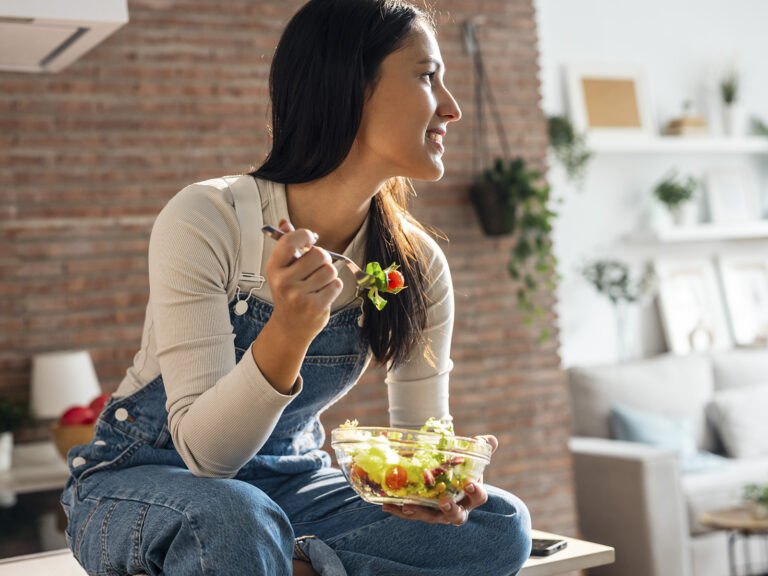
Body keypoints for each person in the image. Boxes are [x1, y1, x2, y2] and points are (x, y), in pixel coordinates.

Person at [59, 0, 532, 574]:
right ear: (348, 86)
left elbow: (416, 447)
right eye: (428, 76)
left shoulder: (415, 264)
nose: (451, 108)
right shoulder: (210, 218)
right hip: (151, 481)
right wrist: (288, 329)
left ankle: (287, 563)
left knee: (499, 525)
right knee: (231, 517)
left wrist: (435, 487)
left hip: (295, 486)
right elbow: (207, 458)